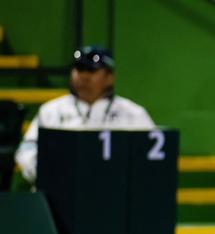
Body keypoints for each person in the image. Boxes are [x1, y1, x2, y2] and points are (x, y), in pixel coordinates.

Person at [14, 46, 155, 184]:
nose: (84, 76)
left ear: (110, 77)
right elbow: (27, 149)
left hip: (115, 190)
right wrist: (49, 176)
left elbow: (151, 157)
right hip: (60, 191)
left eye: (91, 70)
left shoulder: (133, 114)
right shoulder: (51, 111)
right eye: (79, 69)